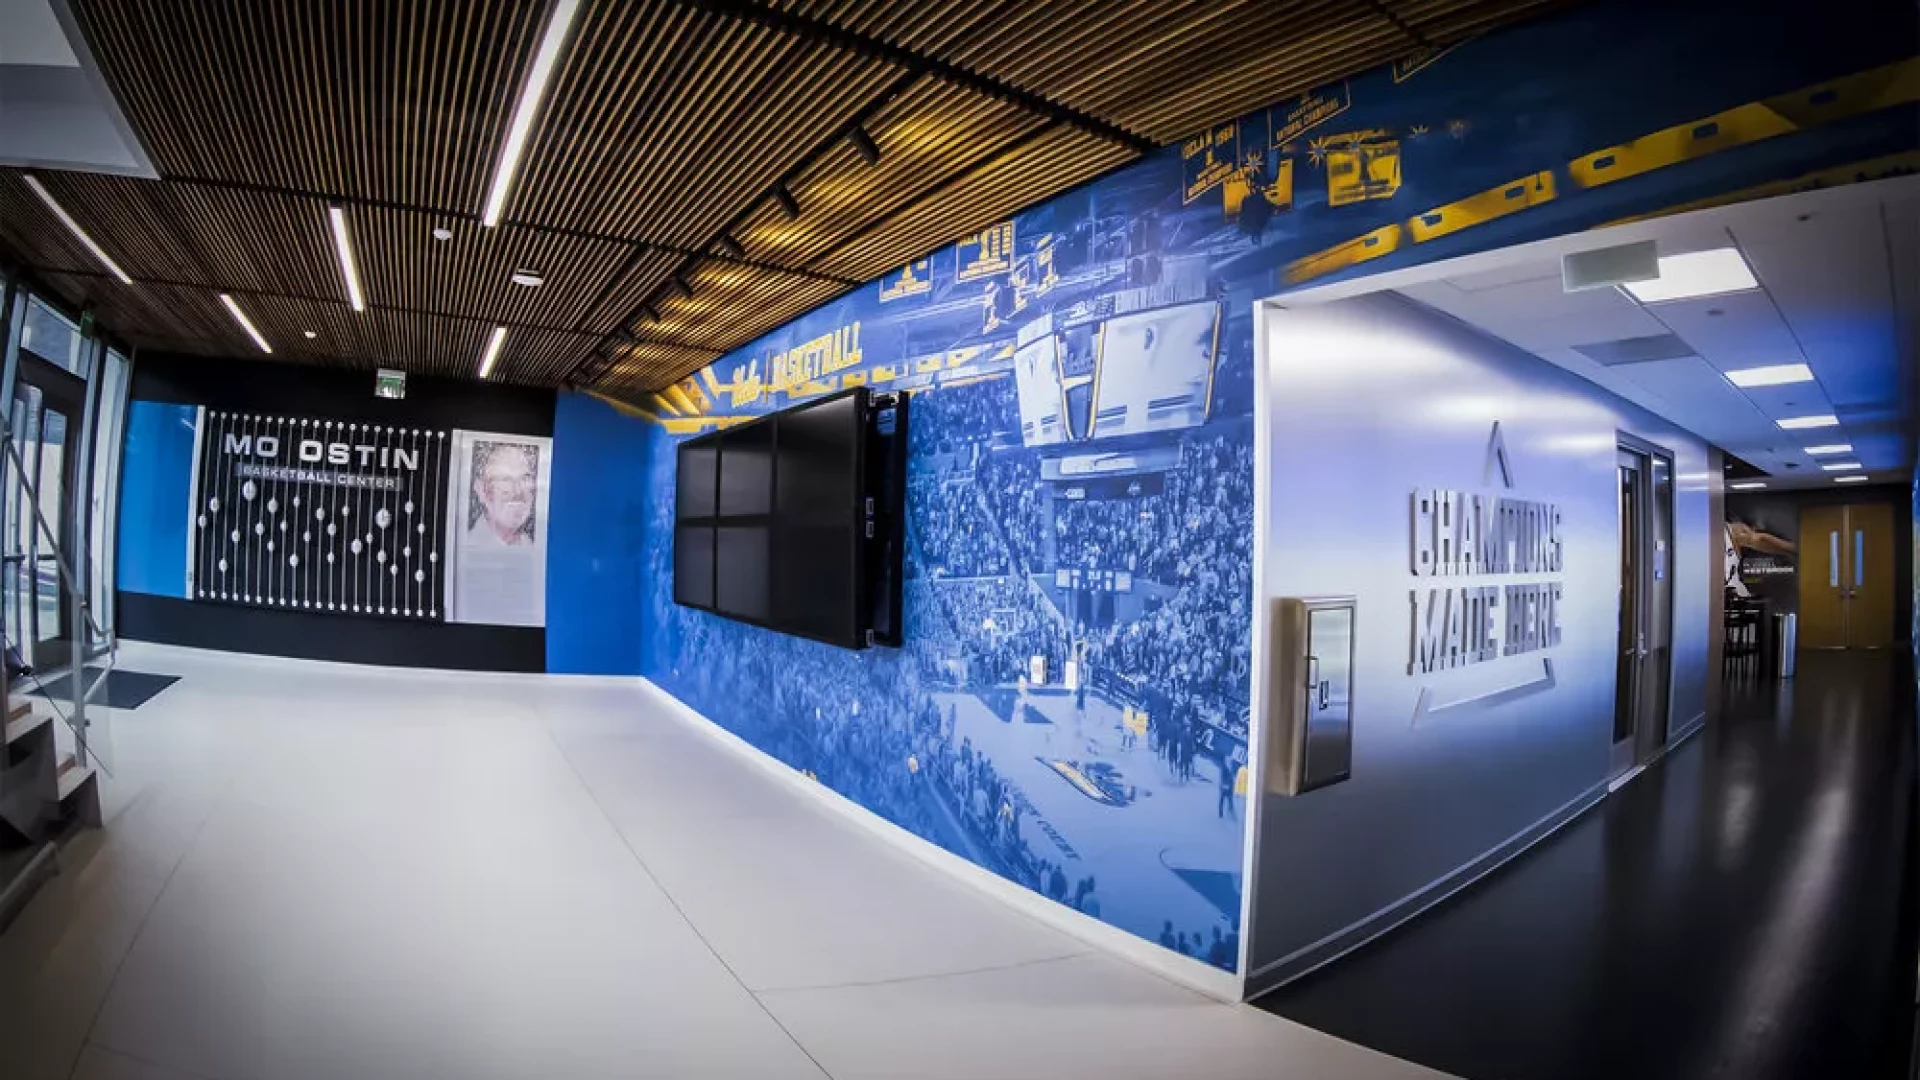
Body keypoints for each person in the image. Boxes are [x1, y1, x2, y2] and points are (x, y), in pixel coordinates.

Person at [469, 442, 537, 546]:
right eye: (505, 479)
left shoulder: (529, 544)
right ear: (481, 490)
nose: (518, 491)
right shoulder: (470, 545)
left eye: (525, 478)